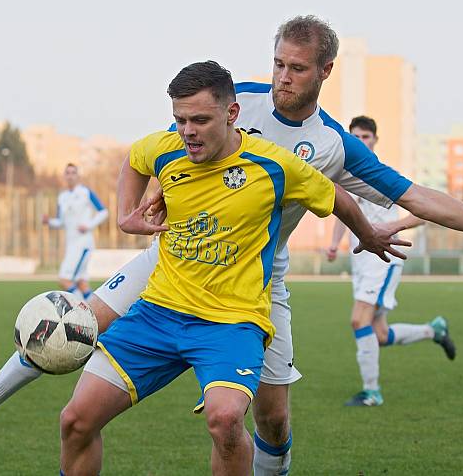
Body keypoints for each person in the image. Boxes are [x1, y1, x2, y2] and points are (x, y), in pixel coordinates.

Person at [0, 16, 463, 475]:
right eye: (277, 62)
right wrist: (142, 205)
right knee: (74, 321)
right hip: (173, 259)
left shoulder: (331, 147)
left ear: (324, 72)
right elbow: (159, 149)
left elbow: (413, 194)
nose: (281, 78)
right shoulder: (232, 101)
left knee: (269, 418)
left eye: (297, 68)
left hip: (256, 284)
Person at [63, 60, 413, 475]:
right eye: (179, 119)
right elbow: (135, 160)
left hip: (232, 323)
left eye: (199, 120)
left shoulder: (275, 165)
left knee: (227, 420)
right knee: (75, 420)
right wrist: (125, 214)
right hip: (158, 313)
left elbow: (337, 196)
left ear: (232, 114)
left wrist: (368, 236)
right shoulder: (167, 147)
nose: (187, 131)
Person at [327, 116, 455, 408]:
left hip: (382, 260)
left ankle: (371, 392)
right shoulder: (344, 174)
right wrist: (334, 244)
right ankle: (433, 330)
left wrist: (394, 228)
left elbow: (425, 212)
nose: (360, 142)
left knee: (358, 320)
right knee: (379, 334)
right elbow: (343, 211)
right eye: (355, 137)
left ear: (375, 140)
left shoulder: (379, 175)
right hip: (361, 262)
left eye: (365, 137)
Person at [42, 163, 109, 297]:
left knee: (64, 279)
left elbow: (104, 212)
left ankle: (81, 313)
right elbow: (61, 221)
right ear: (64, 176)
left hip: (83, 243)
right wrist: (48, 221)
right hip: (71, 245)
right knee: (81, 283)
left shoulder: (85, 192)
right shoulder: (62, 197)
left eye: (73, 172)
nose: (70, 175)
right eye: (68, 173)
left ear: (78, 176)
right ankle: (94, 312)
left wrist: (89, 225)